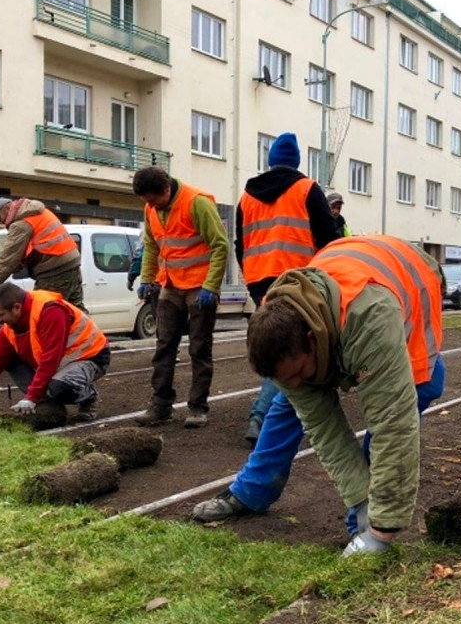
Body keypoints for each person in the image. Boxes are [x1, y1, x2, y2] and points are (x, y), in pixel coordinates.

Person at [193, 235, 445, 557]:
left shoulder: (370, 319)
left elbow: (392, 422)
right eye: (286, 377)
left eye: (297, 372)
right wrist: (360, 499)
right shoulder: (279, 322)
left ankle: (374, 521)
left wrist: (381, 528)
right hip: (346, 267)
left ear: (312, 340)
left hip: (411, 278)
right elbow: (325, 429)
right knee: (288, 403)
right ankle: (254, 489)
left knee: (415, 386)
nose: (295, 382)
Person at [236, 132, 339, 443]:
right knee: (290, 345)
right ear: (296, 161)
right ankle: (262, 415)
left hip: (258, 278)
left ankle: (270, 411)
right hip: (297, 279)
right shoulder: (307, 189)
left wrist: (252, 277)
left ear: (270, 161)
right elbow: (328, 238)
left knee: (274, 340)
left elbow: (241, 245)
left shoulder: (247, 197)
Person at [133, 167, 229, 429]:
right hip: (171, 285)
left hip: (199, 287)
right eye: (147, 203)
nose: (151, 206)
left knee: (199, 347)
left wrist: (211, 285)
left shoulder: (196, 203)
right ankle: (160, 406)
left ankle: (197, 407)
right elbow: (153, 246)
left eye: (154, 200)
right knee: (164, 345)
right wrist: (146, 277)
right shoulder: (151, 209)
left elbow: (220, 245)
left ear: (166, 189)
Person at [0, 283, 109, 422]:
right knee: (9, 360)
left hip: (89, 357)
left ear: (16, 308)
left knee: (59, 388)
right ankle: (48, 402)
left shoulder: (50, 311)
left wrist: (31, 397)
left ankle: (88, 396)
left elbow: (50, 359)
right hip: (59, 362)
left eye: (1, 315)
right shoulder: (10, 326)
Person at [0, 197, 85, 311]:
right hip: (72, 265)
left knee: (41, 313)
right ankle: (88, 329)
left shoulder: (21, 223)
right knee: (76, 312)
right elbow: (32, 248)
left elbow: (7, 258)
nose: (0, 221)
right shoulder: (37, 212)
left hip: (54, 272)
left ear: (7, 208)